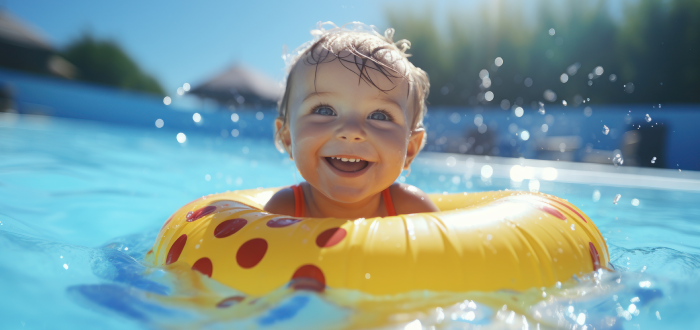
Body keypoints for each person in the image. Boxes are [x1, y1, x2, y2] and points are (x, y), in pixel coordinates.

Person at [264, 22, 439, 218]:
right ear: (287, 138)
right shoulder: (284, 211)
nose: (351, 131)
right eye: (324, 110)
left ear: (410, 149)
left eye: (379, 116)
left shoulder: (410, 209)